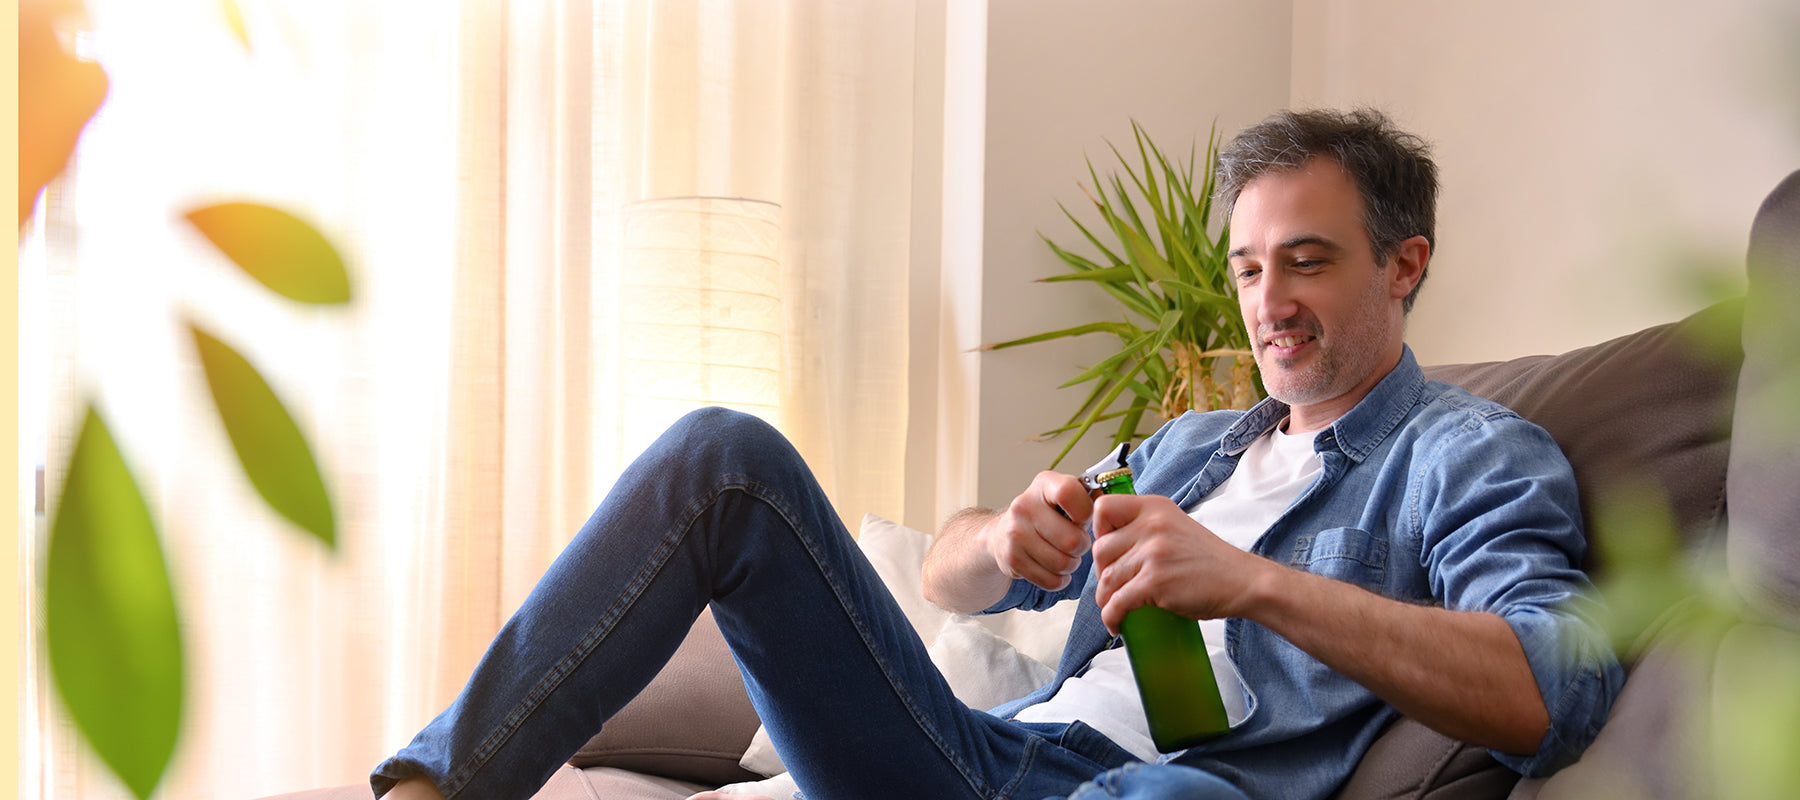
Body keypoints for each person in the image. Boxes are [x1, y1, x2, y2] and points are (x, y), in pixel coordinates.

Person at [375, 108, 1623, 800]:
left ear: (1405, 264)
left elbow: (1546, 687)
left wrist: (1250, 582)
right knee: (723, 455)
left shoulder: (1471, 453)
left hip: (1173, 794)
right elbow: (954, 581)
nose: (1267, 301)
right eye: (1248, 267)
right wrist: (1007, 530)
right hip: (992, 756)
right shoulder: (1192, 443)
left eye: (1308, 259)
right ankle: (439, 789)